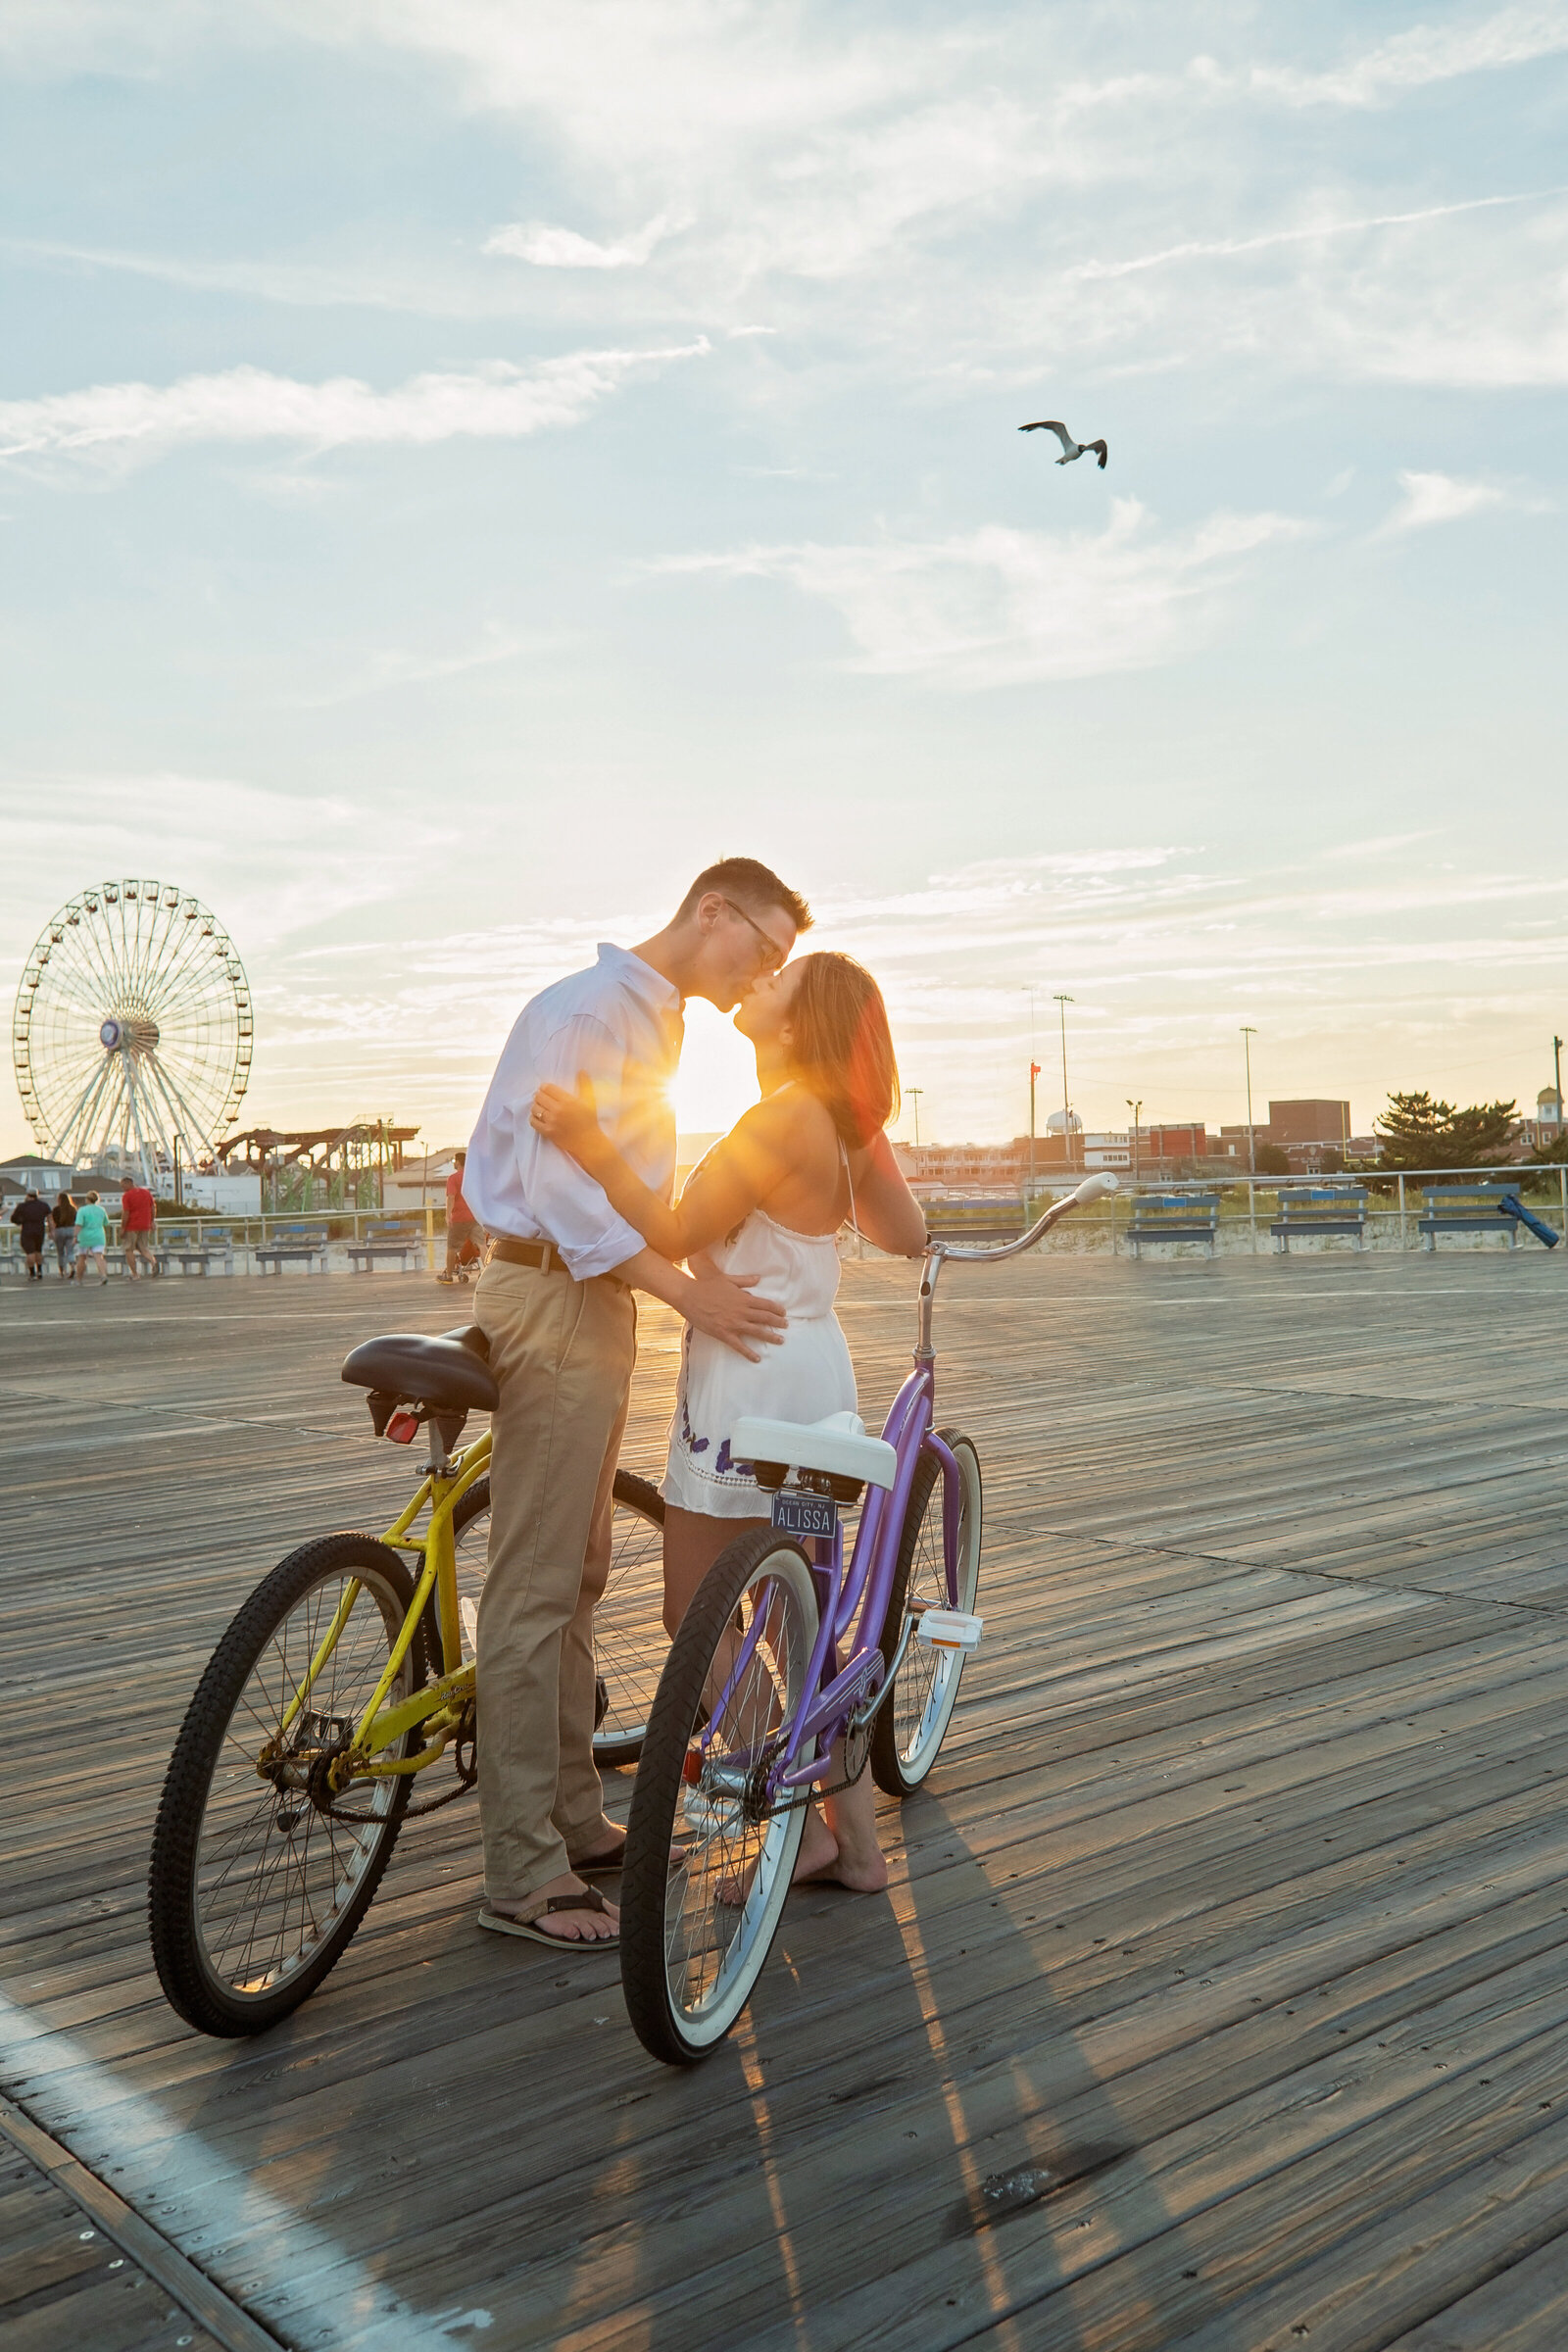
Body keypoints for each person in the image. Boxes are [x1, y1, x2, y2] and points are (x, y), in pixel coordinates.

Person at [462, 858, 809, 1950]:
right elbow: (568, 1202)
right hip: (557, 1298)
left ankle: (568, 1817)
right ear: (712, 909)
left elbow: (618, 1186)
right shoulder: (596, 1010)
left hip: (591, 1307)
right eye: (758, 947)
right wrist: (690, 1296)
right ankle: (522, 1872)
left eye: (779, 965)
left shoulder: (649, 1024)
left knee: (579, 1569)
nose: (760, 972)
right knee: (532, 1586)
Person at [533, 949, 928, 1891]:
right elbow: (907, 1234)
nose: (758, 986)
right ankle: (856, 1846)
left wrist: (590, 1140)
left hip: (747, 1384)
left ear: (799, 1028)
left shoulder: (781, 1115)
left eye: (777, 987)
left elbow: (672, 1229)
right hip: (812, 1373)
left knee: (696, 1612)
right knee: (803, 1618)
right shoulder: (835, 1125)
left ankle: (792, 1811)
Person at [439, 1149, 483, 1284]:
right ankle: (486, 1272)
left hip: (459, 1218)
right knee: (482, 1245)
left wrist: (448, 1216)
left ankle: (448, 1276)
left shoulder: (453, 1178)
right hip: (474, 1216)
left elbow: (451, 1197)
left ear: (458, 1162)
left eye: (454, 1161)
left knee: (452, 1247)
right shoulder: (473, 1177)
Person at [120, 1177, 158, 1279]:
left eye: (123, 1186)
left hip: (131, 1226)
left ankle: (135, 1274)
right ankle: (153, 1262)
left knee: (129, 1249)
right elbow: (152, 1207)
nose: (122, 1188)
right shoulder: (146, 1193)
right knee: (143, 1248)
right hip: (145, 1224)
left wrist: (123, 1227)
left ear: (128, 1184)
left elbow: (126, 1213)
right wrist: (152, 1221)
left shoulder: (127, 1196)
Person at [10, 1190, 48, 1280]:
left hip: (27, 1230)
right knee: (38, 1251)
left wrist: (20, 1221)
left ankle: (32, 1273)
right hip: (40, 1230)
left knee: (30, 1252)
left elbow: (13, 1218)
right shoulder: (43, 1205)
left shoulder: (22, 1206)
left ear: (28, 1195)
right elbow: (49, 1217)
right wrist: (52, 1230)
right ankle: (39, 1271)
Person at [74, 1191, 109, 1283]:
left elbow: (79, 1224)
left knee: (82, 1257)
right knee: (99, 1257)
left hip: (84, 1236)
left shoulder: (82, 1210)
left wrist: (75, 1236)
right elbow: (105, 1223)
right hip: (99, 1235)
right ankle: (103, 1275)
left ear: (87, 1199)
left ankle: (79, 1279)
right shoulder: (101, 1210)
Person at [51, 1192, 76, 1279]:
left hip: (59, 1230)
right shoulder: (73, 1209)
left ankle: (62, 1272)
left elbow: (54, 1221)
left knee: (60, 1252)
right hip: (71, 1230)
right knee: (70, 1251)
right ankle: (73, 1267)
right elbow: (76, 1220)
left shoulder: (56, 1209)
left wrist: (52, 1232)